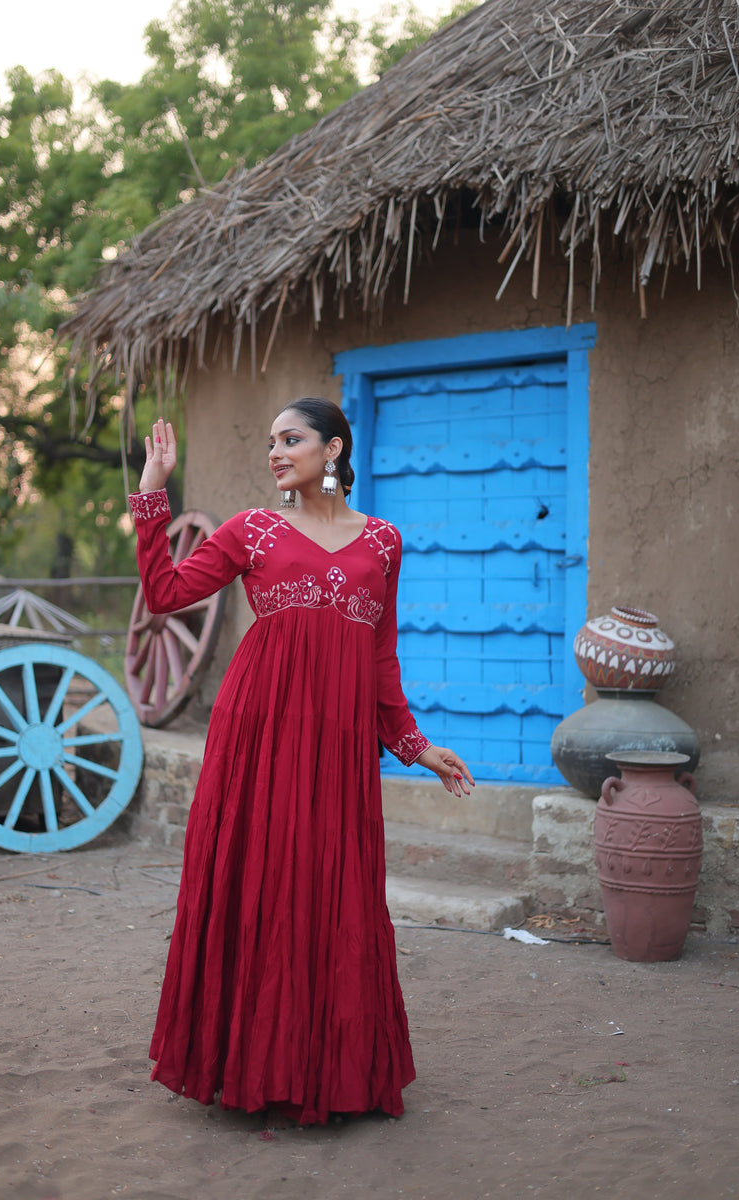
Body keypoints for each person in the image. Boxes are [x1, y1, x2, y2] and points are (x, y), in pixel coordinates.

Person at [130, 397, 474, 1125]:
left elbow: (382, 659)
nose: (276, 453)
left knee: (335, 893)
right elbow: (164, 594)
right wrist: (154, 489)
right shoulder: (250, 531)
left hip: (339, 747)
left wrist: (415, 746)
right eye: (270, 442)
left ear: (335, 449)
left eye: (292, 439)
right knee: (259, 889)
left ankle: (327, 1072)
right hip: (257, 737)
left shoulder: (383, 542)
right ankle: (247, 1068)